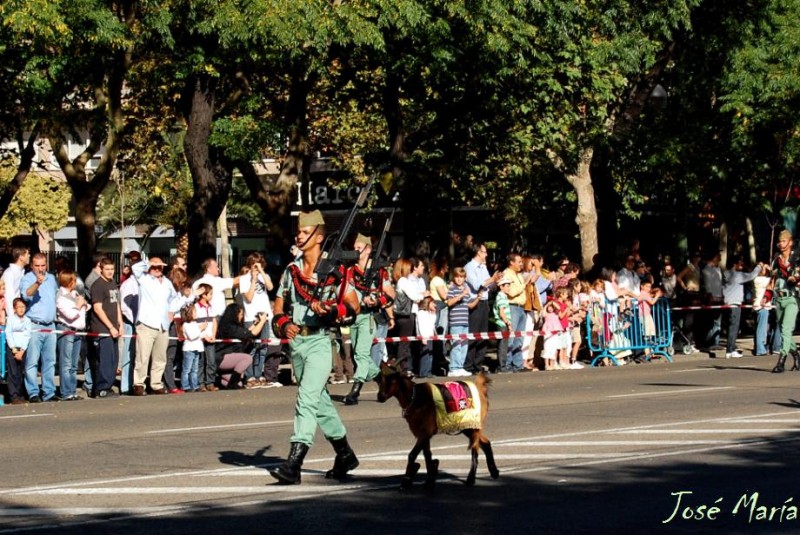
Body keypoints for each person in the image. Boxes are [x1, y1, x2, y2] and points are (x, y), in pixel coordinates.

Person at [269, 209, 360, 485]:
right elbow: (279, 304)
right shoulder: (292, 269)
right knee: (319, 403)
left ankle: (294, 463)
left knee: (306, 400)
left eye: (304, 232)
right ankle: (344, 453)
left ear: (319, 237)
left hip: (321, 341)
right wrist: (283, 324)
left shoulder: (337, 271)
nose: (299, 235)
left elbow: (353, 304)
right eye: (298, 231)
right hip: (297, 343)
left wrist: (333, 310)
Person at [343, 233, 393, 404]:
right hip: (353, 317)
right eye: (354, 247)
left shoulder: (379, 271)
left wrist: (376, 301)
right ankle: (382, 378)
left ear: (369, 249)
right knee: (359, 355)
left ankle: (355, 392)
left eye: (359, 247)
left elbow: (390, 294)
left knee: (362, 354)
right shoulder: (350, 270)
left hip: (368, 316)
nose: (355, 250)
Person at [192, 259, 241, 391]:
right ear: (208, 268)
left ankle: (209, 382)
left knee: (210, 357)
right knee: (204, 357)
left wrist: (212, 333)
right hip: (202, 326)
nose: (218, 269)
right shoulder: (214, 282)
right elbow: (235, 281)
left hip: (213, 323)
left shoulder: (198, 283)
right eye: (216, 266)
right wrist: (250, 274)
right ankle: (201, 383)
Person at [132, 256, 177, 396]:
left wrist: (172, 312)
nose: (157, 269)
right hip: (147, 322)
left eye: (160, 267)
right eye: (155, 267)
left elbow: (174, 298)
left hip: (162, 324)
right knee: (143, 356)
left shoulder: (167, 283)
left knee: (160, 357)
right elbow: (135, 268)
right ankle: (139, 383)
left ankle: (156, 383)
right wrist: (148, 263)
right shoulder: (144, 279)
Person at [237, 252, 280, 388]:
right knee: (252, 348)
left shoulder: (264, 276)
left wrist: (261, 272)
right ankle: (249, 377)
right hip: (251, 317)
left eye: (259, 265)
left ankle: (258, 374)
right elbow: (248, 298)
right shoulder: (244, 279)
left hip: (265, 315)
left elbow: (271, 287)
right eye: (254, 265)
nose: (256, 268)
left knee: (263, 347)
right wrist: (253, 280)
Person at [20, 253, 58, 402]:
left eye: (43, 265)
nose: (40, 269)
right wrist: (37, 283)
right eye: (37, 266)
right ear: (31, 266)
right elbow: (26, 295)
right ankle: (33, 392)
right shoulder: (28, 278)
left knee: (49, 361)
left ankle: (49, 391)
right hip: (35, 325)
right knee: (32, 361)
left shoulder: (52, 279)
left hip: (50, 325)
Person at [464, 243, 501, 373]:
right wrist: (492, 279)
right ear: (478, 252)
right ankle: (468, 364)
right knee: (473, 334)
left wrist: (496, 281)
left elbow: (488, 285)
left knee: (483, 335)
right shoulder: (469, 267)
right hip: (474, 302)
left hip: (484, 302)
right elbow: (477, 285)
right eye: (484, 252)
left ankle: (478, 365)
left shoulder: (483, 267)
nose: (486, 254)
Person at [90, 257, 123, 398]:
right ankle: (102, 388)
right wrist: (110, 327)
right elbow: (97, 308)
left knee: (113, 360)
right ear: (101, 269)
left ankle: (108, 386)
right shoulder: (98, 285)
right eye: (107, 269)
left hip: (114, 328)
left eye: (112, 269)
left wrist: (119, 324)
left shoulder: (112, 284)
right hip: (102, 329)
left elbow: (116, 305)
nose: (110, 272)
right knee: (105, 360)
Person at [56, 269, 90, 401]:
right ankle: (66, 392)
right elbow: (70, 315)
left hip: (78, 330)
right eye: (74, 280)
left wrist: (83, 304)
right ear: (68, 281)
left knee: (75, 364)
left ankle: (72, 390)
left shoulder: (75, 294)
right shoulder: (60, 296)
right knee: (66, 363)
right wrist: (79, 305)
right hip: (67, 330)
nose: (76, 282)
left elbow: (87, 307)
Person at [771, 230, 800, 373]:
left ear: (790, 242)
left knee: (786, 330)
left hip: (792, 298)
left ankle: (781, 361)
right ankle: (796, 356)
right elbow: (772, 278)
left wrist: (795, 278)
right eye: (780, 241)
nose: (781, 244)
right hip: (779, 299)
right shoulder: (777, 260)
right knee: (785, 332)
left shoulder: (797, 259)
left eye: (784, 241)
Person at [214, 303, 263, 389]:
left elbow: (245, 332)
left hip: (224, 358)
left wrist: (255, 324)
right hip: (221, 357)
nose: (241, 317)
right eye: (240, 314)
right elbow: (252, 334)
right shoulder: (230, 327)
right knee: (247, 358)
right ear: (234, 314)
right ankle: (232, 383)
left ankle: (220, 380)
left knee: (239, 384)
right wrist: (262, 321)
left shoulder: (228, 325)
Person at [722, 258, 760, 359]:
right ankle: (731, 350)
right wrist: (758, 267)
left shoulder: (726, 274)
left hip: (727, 303)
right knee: (734, 328)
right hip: (735, 304)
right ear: (734, 264)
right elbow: (752, 276)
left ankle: (730, 348)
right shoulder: (737, 275)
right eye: (740, 263)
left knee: (730, 327)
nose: (742, 266)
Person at [446, 267, 480, 377]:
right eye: (457, 277)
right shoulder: (452, 289)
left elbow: (469, 305)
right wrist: (461, 294)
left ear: (465, 278)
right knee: (456, 345)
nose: (459, 279)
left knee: (464, 345)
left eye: (461, 277)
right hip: (456, 322)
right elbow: (449, 302)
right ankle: (453, 368)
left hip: (465, 321)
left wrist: (478, 298)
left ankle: (460, 367)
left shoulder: (466, 290)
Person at [501, 253, 528, 372]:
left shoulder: (519, 275)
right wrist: (524, 284)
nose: (521, 264)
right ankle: (507, 364)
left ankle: (518, 364)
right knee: (511, 337)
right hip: (512, 307)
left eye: (522, 262)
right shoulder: (507, 274)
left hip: (521, 307)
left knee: (519, 337)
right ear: (511, 262)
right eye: (519, 262)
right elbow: (511, 292)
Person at [118, 251, 141, 395]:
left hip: (142, 323)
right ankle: (126, 386)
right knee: (128, 355)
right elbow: (124, 306)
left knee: (139, 356)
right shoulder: (128, 284)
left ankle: (137, 383)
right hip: (130, 323)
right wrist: (134, 320)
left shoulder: (143, 283)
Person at [5, 298, 31, 404]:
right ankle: (13, 396)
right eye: (19, 307)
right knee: (13, 372)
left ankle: (20, 394)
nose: (21, 309)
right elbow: (8, 333)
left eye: (23, 307)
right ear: (14, 308)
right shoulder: (11, 320)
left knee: (21, 373)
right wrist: (13, 349)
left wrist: (22, 350)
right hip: (13, 349)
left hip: (22, 349)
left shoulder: (27, 321)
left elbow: (27, 335)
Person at [752, 264, 781, 357]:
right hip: (762, 307)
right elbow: (774, 278)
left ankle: (762, 347)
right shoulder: (759, 280)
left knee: (762, 328)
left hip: (762, 307)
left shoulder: (760, 279)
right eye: (763, 269)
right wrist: (770, 268)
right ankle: (760, 349)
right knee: (761, 329)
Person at [701, 251, 724, 350]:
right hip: (712, 298)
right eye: (718, 256)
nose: (720, 258)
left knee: (717, 321)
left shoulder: (718, 269)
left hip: (719, 297)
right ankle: (709, 342)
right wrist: (710, 296)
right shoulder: (707, 269)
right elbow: (708, 285)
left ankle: (716, 341)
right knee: (710, 322)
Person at [1, 247, 29, 318]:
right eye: (27, 254)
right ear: (21, 257)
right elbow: (8, 296)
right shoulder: (10, 273)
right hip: (9, 314)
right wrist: (12, 317)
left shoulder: (21, 271)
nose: (29, 256)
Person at [493, 277, 513, 372]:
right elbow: (501, 312)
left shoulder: (503, 296)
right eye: (507, 286)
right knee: (503, 345)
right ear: (501, 287)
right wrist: (508, 323)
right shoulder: (500, 296)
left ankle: (502, 365)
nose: (509, 288)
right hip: (502, 324)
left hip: (504, 324)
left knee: (504, 345)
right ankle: (502, 366)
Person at [180, 305, 203, 392]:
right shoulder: (186, 325)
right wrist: (200, 329)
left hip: (196, 348)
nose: (196, 313)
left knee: (195, 369)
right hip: (189, 349)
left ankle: (195, 385)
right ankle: (185, 386)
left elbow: (199, 336)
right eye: (195, 312)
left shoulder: (195, 324)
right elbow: (192, 336)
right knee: (187, 369)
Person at [415, 296, 437, 378]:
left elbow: (432, 323)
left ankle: (428, 371)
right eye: (432, 303)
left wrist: (433, 313)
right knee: (425, 354)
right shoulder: (421, 313)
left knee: (430, 354)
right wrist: (423, 337)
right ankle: (423, 372)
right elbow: (421, 326)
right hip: (425, 336)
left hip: (430, 336)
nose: (434, 304)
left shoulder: (428, 313)